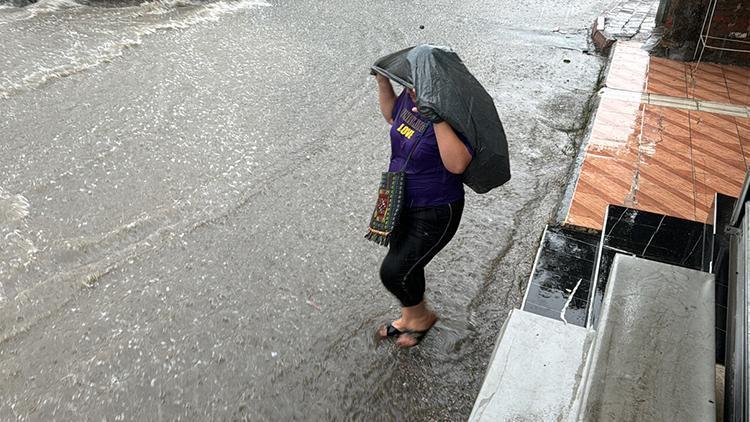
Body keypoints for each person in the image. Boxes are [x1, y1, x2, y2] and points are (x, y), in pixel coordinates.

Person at [374, 73, 473, 347]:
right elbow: (394, 119)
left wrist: (436, 117)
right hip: (399, 196)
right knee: (407, 262)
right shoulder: (409, 95)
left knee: (394, 271)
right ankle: (411, 318)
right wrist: (383, 81)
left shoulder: (452, 111)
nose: (411, 86)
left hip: (436, 208)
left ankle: (422, 317)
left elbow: (457, 164)